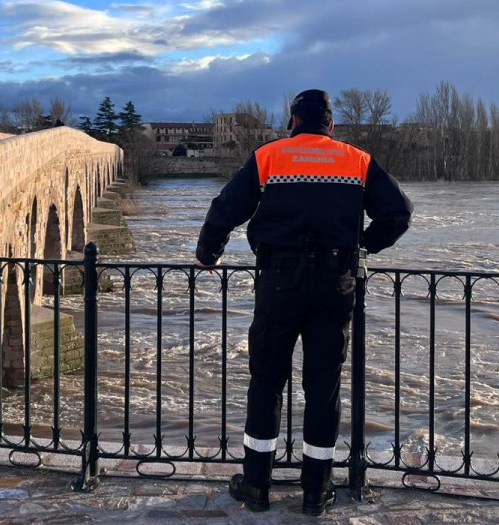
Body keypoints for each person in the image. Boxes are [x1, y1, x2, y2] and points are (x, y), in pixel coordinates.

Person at [195, 89, 413, 515]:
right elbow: (399, 213)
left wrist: (208, 253)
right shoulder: (357, 160)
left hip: (279, 282)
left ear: (293, 121)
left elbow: (226, 208)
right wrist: (363, 245)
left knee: (267, 380)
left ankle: (256, 484)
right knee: (323, 386)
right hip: (335, 281)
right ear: (332, 125)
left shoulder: (270, 156)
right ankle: (317, 490)